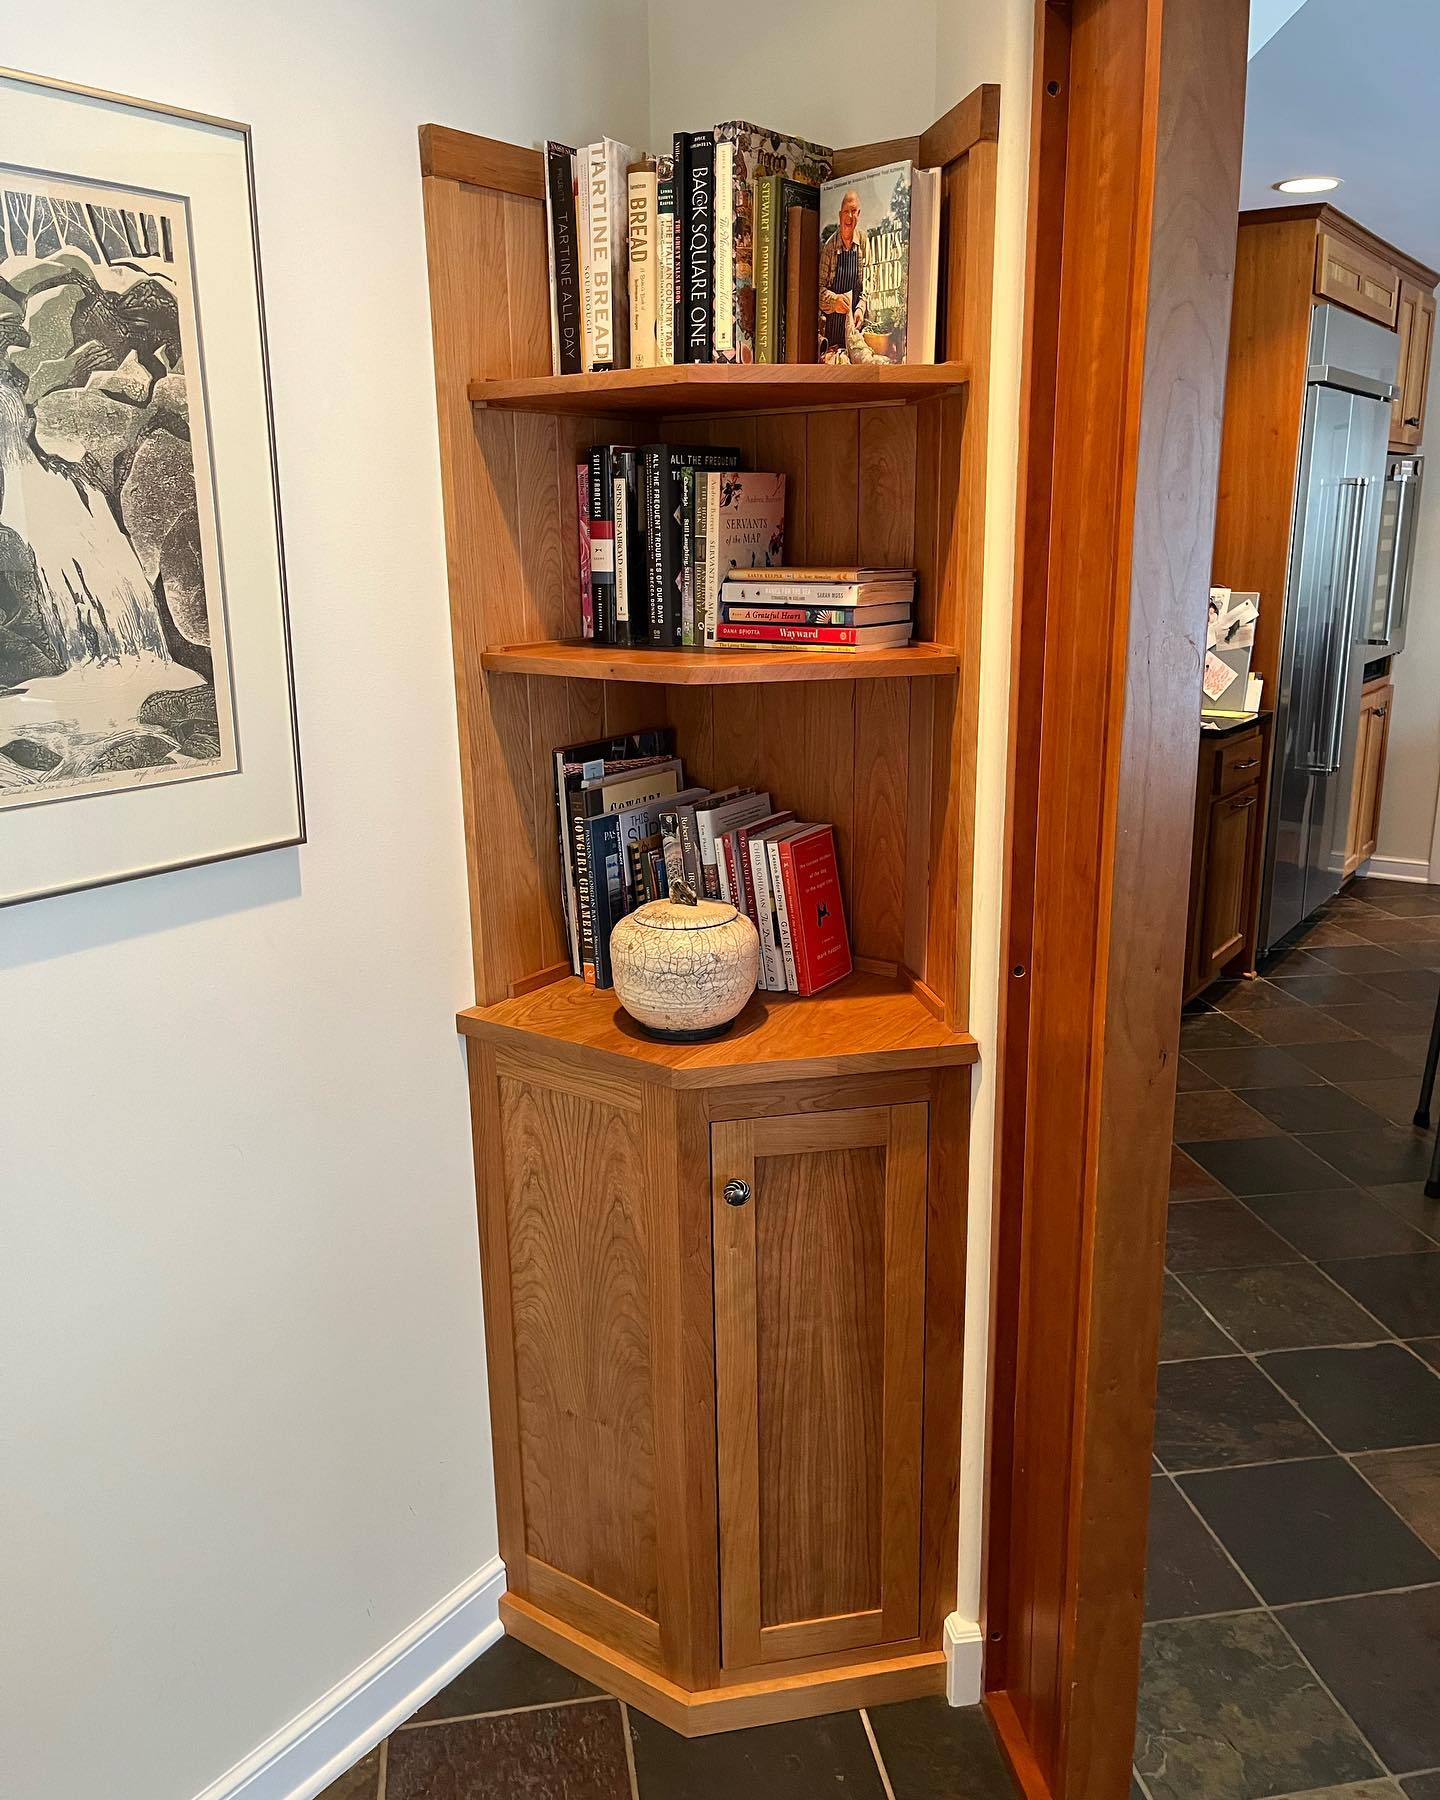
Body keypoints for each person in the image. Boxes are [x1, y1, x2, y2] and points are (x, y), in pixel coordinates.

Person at [819, 189, 868, 361]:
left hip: (855, 328)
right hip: (832, 328)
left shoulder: (863, 242)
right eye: (846, 211)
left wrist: (860, 308)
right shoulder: (829, 248)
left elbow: (868, 283)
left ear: (858, 214)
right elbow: (818, 291)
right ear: (840, 215)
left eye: (853, 211)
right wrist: (834, 301)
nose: (849, 216)